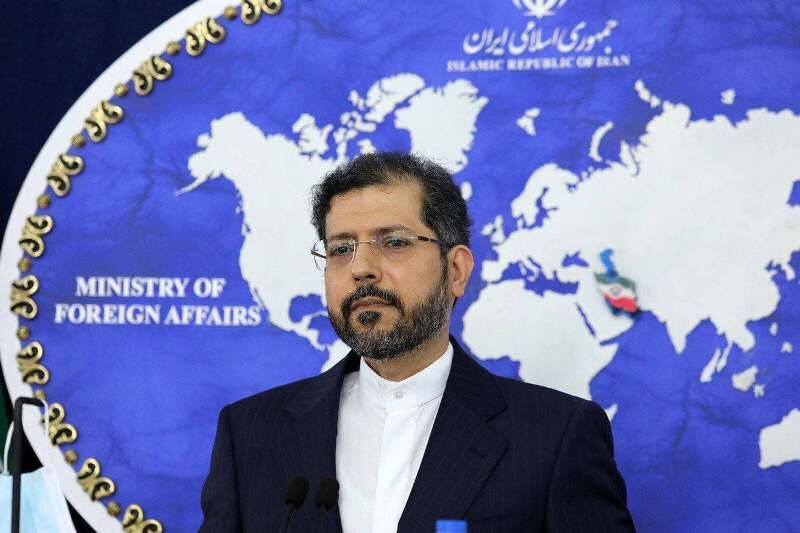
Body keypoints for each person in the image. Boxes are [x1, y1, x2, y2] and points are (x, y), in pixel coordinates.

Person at [199, 152, 635, 532]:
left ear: (456, 270)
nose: (361, 268)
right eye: (341, 248)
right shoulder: (251, 433)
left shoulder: (554, 437)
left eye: (394, 242)